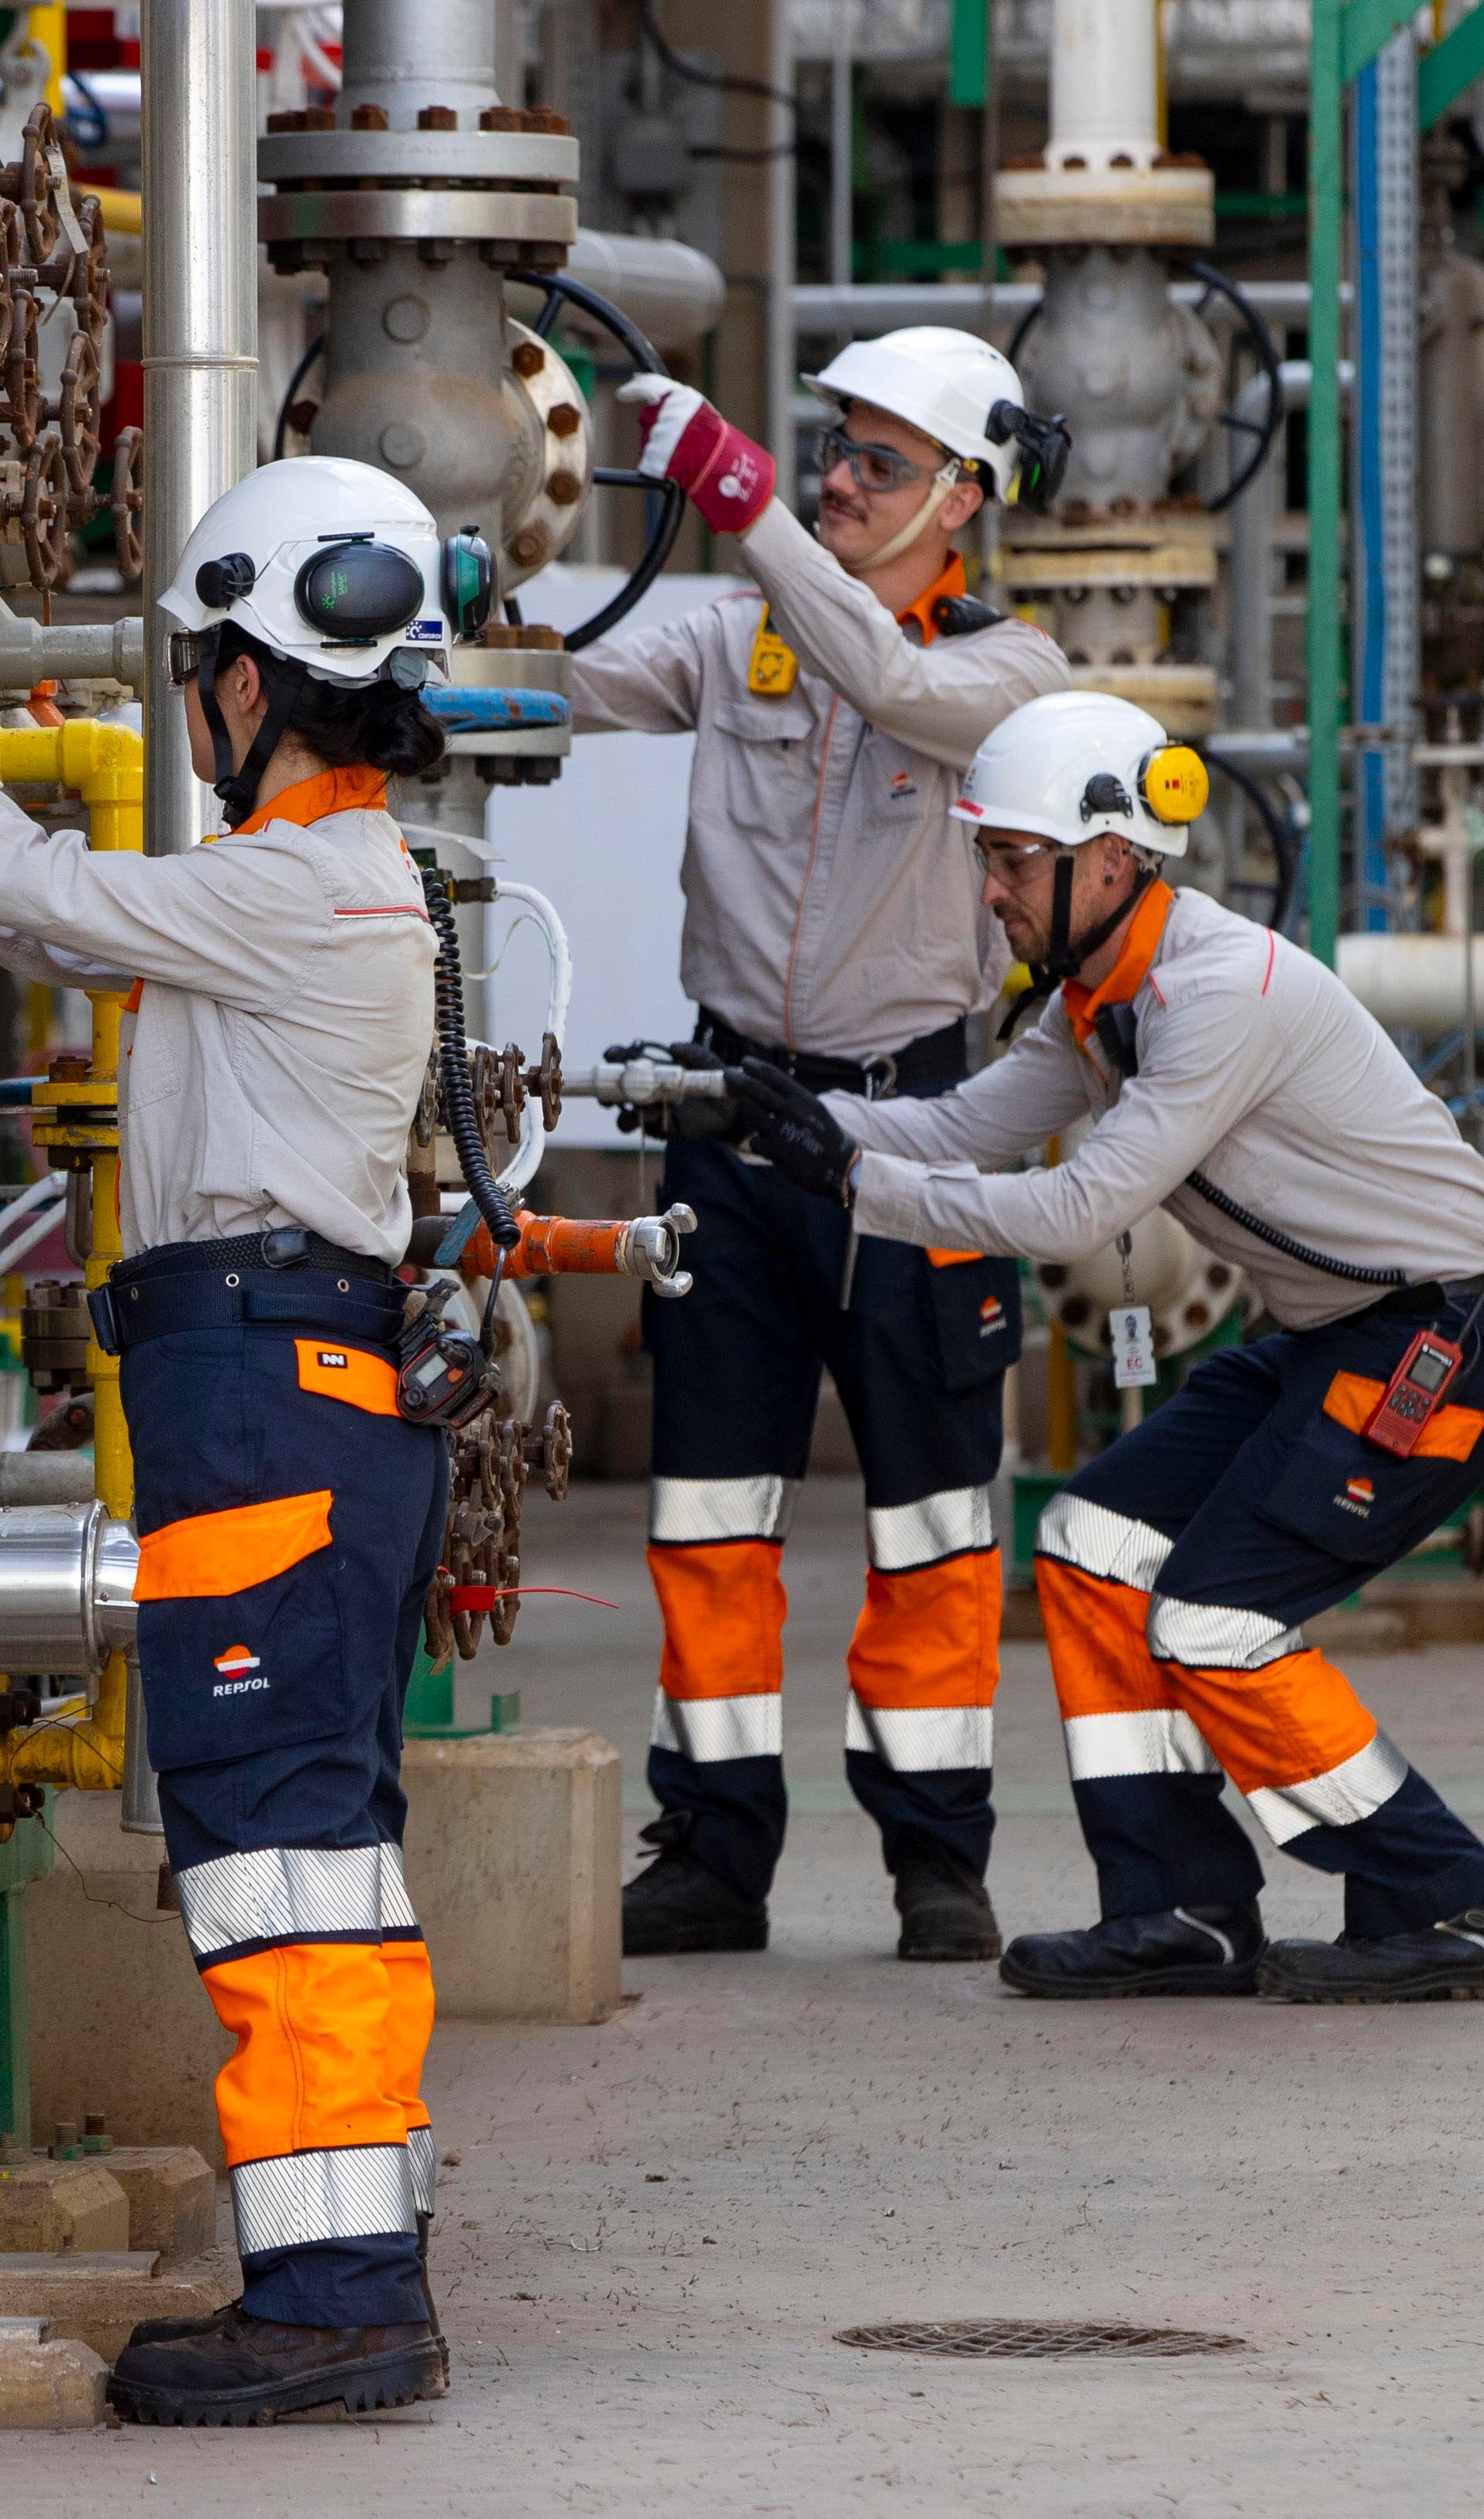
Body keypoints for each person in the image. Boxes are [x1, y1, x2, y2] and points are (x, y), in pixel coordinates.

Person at [0, 456, 472, 2421]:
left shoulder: (298, 876)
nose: (195, 705)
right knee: (316, 1850)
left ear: (250, 679)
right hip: (296, 1378)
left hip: (263, 1387)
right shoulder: (331, 870)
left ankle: (331, 2303)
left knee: (276, 1848)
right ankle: (351, 2253)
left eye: (203, 667)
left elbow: (23, 895)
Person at [722, 690, 1484, 2004]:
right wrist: (785, 1120)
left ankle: (1445, 1900)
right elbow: (969, 1127)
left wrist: (851, 1186)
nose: (988, 888)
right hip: (1345, 1332)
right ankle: (1181, 1904)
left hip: (1452, 1332)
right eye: (986, 855)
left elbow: (1071, 1209)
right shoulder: (1097, 1000)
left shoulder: (1215, 992)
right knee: (1093, 1542)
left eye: (1012, 859)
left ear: (1111, 858)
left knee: (1219, 1618)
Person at [566, 331, 1072, 1961]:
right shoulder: (734, 639)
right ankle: (713, 1854)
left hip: (915, 1124)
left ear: (963, 504)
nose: (841, 484)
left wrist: (755, 511)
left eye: (877, 465)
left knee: (932, 1511)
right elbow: (551, 674)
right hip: (728, 1121)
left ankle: (937, 1858)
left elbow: (895, 686)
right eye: (829, 452)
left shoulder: (1011, 678)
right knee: (711, 1507)